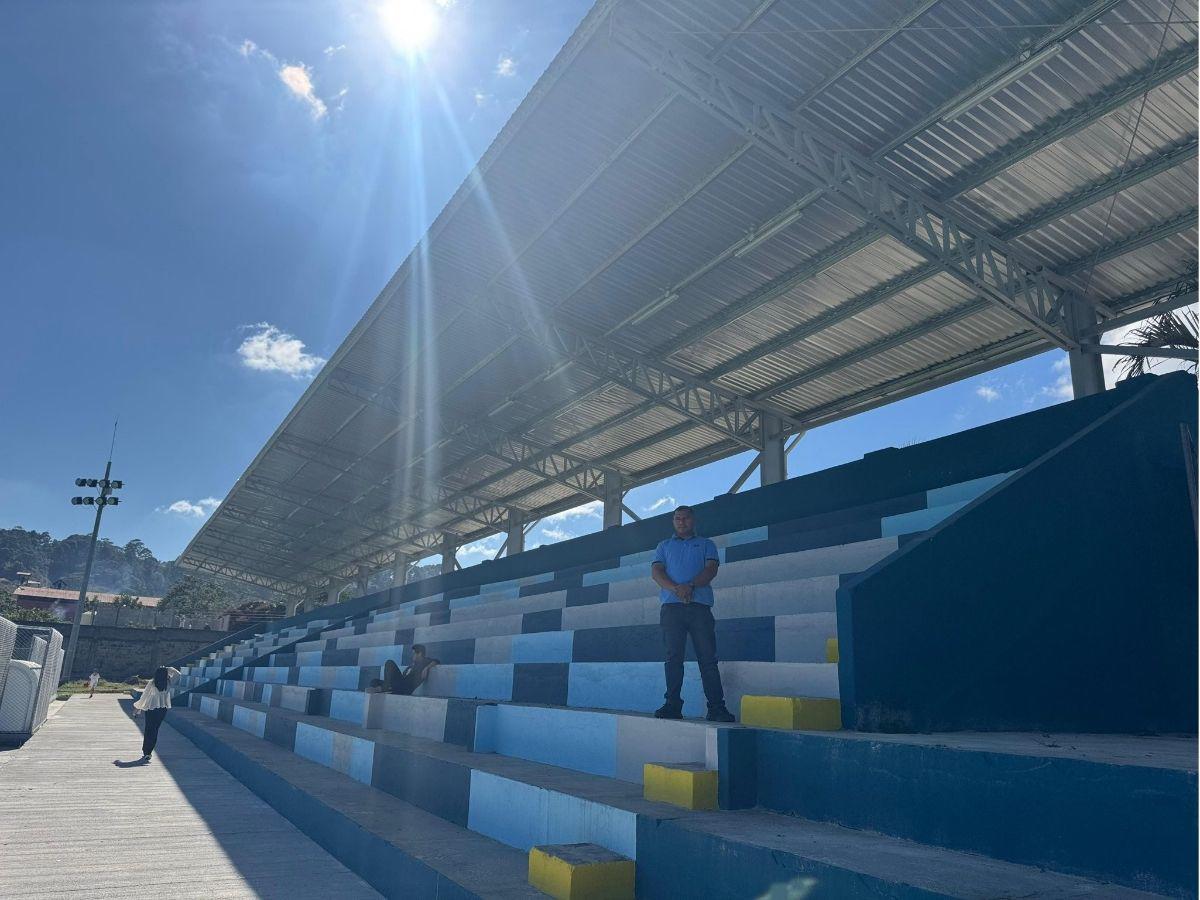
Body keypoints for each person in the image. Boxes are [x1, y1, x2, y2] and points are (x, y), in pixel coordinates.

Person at [651, 505, 735, 722]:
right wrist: (676, 589)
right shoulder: (663, 546)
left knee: (707, 659)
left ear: (693, 520)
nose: (682, 522)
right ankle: (672, 705)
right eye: (677, 518)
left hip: (700, 608)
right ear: (673, 521)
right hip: (672, 608)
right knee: (673, 658)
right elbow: (657, 572)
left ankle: (716, 708)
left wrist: (689, 586)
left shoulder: (707, 544)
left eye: (686, 518)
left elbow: (711, 569)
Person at [131, 666, 180, 762]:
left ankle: (147, 752)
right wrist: (168, 669)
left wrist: (137, 708)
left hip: (151, 709)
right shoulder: (169, 682)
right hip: (162, 709)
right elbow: (178, 674)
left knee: (149, 729)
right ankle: (148, 751)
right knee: (154, 730)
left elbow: (144, 696)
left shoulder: (152, 683)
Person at [368, 644, 439, 696]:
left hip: (404, 689)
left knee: (389, 663)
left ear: (420, 654)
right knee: (374, 681)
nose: (412, 656)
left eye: (414, 653)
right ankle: (386, 688)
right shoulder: (414, 665)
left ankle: (385, 688)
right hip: (399, 685)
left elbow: (437, 661)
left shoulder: (425, 661)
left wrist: (427, 668)